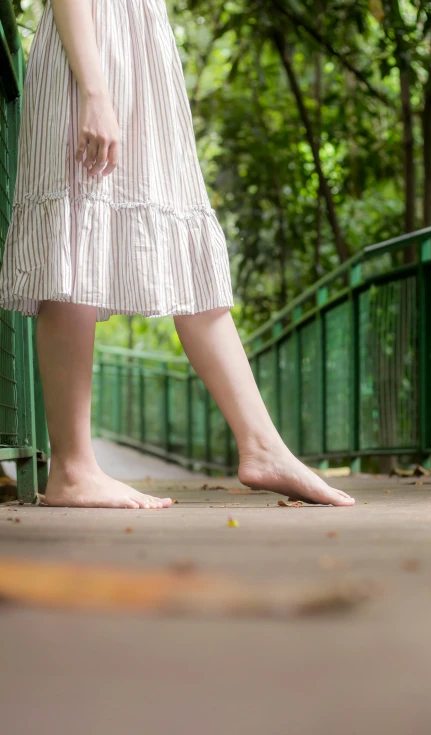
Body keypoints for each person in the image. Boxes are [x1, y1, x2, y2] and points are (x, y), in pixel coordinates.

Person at [0, 0, 355, 509]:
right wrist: (95, 91)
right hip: (94, 54)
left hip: (143, 54)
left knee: (180, 233)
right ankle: (74, 468)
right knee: (73, 241)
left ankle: (261, 444)